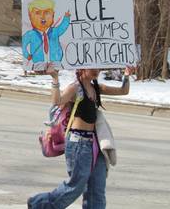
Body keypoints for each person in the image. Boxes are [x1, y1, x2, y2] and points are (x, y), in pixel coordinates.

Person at [28, 65, 134, 209]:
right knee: (75, 187)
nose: (96, 71)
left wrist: (127, 75)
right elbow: (57, 101)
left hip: (95, 144)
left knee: (97, 189)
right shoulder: (75, 88)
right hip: (78, 144)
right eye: (92, 67)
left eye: (98, 68)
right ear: (81, 69)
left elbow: (123, 91)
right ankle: (38, 204)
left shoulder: (96, 87)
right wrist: (55, 79)